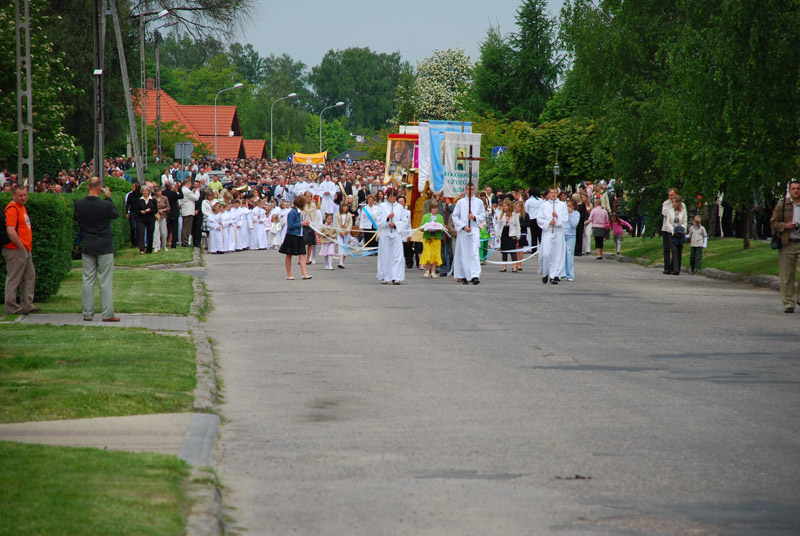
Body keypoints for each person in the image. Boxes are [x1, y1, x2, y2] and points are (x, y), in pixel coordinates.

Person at [73, 177, 120, 321]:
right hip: (104, 244)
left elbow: (78, 219)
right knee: (105, 280)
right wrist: (109, 199)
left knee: (88, 279)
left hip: (88, 243)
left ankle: (87, 313)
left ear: (88, 187)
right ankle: (107, 314)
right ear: (100, 188)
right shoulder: (105, 205)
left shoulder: (79, 204)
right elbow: (115, 215)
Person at [3, 184, 38, 315]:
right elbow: (11, 231)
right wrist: (21, 246)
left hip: (24, 249)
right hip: (16, 249)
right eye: (21, 195)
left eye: (25, 195)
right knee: (14, 277)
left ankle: (27, 304)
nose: (24, 198)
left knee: (30, 275)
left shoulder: (21, 208)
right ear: (14, 195)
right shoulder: (12, 209)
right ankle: (11, 307)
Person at [770, 179, 800, 312]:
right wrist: (786, 226)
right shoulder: (782, 205)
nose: (796, 191)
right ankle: (788, 303)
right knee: (787, 275)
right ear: (789, 191)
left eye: (798, 189)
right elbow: (773, 223)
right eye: (793, 189)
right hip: (787, 242)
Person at [452, 183, 486, 285]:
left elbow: (483, 215)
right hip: (464, 231)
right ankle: (464, 275)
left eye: (472, 189)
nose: (470, 191)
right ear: (465, 190)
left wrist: (474, 217)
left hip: (474, 229)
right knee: (464, 253)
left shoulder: (479, 202)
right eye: (468, 189)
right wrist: (463, 226)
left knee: (474, 252)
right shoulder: (461, 202)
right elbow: (455, 216)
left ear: (474, 190)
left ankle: (475, 275)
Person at [377, 189, 409, 284]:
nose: (392, 198)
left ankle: (396, 276)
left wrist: (395, 224)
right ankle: (384, 276)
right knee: (385, 255)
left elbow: (404, 222)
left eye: (394, 196)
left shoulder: (400, 207)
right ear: (387, 196)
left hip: (396, 233)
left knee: (397, 256)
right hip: (385, 232)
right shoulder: (382, 206)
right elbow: (378, 221)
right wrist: (387, 218)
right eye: (391, 196)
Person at [536, 188, 568, 284]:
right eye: (551, 193)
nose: (553, 194)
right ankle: (546, 272)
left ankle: (554, 275)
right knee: (546, 253)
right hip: (548, 231)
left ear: (558, 194)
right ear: (548, 194)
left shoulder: (562, 205)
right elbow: (539, 219)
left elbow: (565, 219)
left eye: (555, 193)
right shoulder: (544, 205)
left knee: (557, 254)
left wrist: (557, 217)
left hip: (558, 232)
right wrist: (549, 222)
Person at [279, 196, 312, 280]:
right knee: (289, 254)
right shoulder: (292, 213)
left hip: (299, 235)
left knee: (302, 254)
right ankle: (289, 274)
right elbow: (290, 225)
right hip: (291, 236)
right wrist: (301, 224)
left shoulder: (299, 212)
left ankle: (304, 273)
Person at [661, 188, 686, 273]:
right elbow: (664, 213)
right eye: (669, 195)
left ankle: (674, 267)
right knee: (666, 248)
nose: (670, 197)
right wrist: (672, 205)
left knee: (676, 249)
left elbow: (684, 218)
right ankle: (667, 267)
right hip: (667, 228)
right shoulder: (666, 203)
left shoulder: (682, 205)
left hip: (679, 229)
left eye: (672, 195)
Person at [420, 202, 444, 278]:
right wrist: (424, 228)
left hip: (436, 238)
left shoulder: (440, 217)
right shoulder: (426, 216)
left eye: (436, 208)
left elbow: (443, 228)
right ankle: (427, 270)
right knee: (427, 254)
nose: (435, 210)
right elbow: (421, 227)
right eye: (433, 208)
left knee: (435, 255)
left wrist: (439, 227)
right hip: (427, 238)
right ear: (430, 209)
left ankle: (433, 271)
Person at [495, 199, 520, 272]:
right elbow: (499, 226)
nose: (504, 208)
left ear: (509, 206)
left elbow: (517, 226)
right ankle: (504, 267)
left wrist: (518, 235)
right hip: (504, 233)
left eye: (505, 206)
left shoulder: (514, 215)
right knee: (504, 252)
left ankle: (514, 266)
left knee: (513, 252)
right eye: (503, 206)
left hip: (512, 234)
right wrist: (498, 235)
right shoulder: (501, 215)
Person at [136, 186, 157, 254]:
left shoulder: (153, 200)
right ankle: (142, 249)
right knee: (141, 233)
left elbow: (155, 210)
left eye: (146, 191)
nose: (145, 192)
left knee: (150, 234)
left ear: (149, 192)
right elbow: (136, 209)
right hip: (141, 218)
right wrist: (140, 212)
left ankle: (149, 249)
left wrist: (150, 211)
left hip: (150, 218)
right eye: (143, 191)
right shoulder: (139, 200)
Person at [563, 199, 580, 281]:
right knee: (562, 254)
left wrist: (570, 215)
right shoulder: (562, 213)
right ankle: (562, 272)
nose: (568, 208)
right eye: (567, 206)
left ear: (573, 207)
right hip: (562, 234)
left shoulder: (576, 214)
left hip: (571, 235)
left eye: (570, 206)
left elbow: (574, 225)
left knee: (569, 254)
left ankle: (570, 274)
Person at [180, 178, 199, 246]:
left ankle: (184, 241)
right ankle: (185, 241)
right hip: (188, 211)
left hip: (186, 210)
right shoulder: (186, 191)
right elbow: (196, 198)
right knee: (187, 227)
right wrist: (197, 191)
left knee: (186, 226)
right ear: (188, 184)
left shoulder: (184, 190)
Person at [335, 202, 353, 268]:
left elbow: (350, 224)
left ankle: (342, 262)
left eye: (346, 206)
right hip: (340, 233)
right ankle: (340, 262)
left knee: (345, 247)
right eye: (344, 206)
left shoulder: (349, 215)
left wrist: (346, 231)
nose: (345, 208)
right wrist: (340, 232)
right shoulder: (337, 215)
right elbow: (336, 224)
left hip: (347, 233)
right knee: (340, 246)